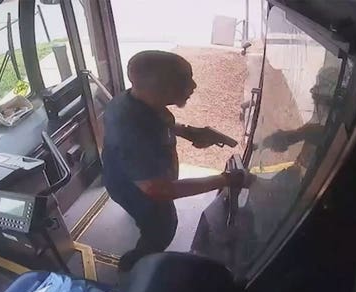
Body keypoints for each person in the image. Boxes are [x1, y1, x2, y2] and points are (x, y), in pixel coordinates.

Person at [101, 50, 253, 272]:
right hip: (133, 190)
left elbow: (156, 125)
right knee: (162, 229)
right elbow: (159, 190)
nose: (193, 86)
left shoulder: (136, 100)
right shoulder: (129, 127)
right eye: (184, 80)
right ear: (159, 87)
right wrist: (227, 179)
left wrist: (189, 132)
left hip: (135, 178)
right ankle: (131, 271)